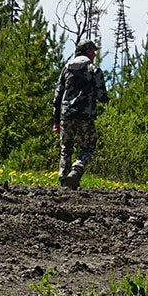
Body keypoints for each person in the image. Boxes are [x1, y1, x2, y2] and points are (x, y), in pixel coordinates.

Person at [51, 40, 109, 189]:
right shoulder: (92, 68)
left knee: (66, 148)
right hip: (85, 114)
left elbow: (57, 97)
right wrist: (105, 99)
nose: (95, 54)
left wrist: (56, 121)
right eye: (93, 50)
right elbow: (101, 94)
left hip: (66, 114)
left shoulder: (66, 68)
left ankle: (63, 181)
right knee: (88, 146)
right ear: (87, 51)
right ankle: (76, 171)